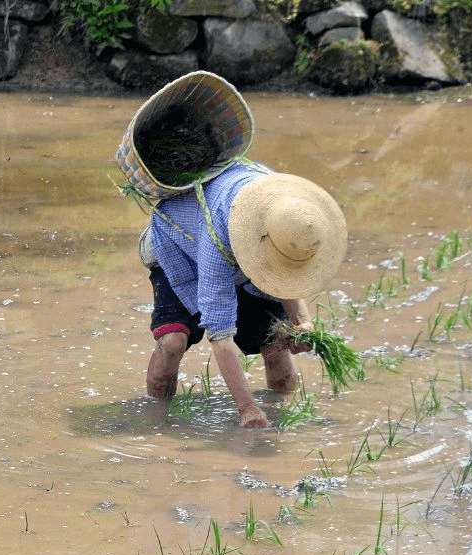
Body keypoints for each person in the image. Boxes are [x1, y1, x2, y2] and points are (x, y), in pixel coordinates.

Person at [138, 161, 348, 427]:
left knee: (276, 341)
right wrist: (246, 408)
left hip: (243, 247)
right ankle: (157, 422)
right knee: (172, 343)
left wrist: (302, 324)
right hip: (179, 243)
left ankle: (280, 415)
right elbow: (221, 337)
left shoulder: (288, 207)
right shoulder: (218, 243)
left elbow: (286, 275)